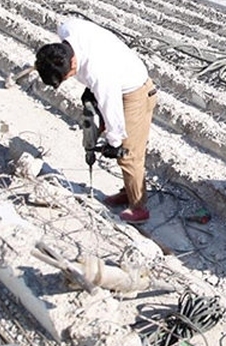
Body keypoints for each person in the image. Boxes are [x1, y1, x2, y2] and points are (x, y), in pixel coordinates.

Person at [35, 17, 158, 224]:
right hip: (118, 75)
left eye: (67, 76)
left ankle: (138, 207)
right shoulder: (67, 31)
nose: (68, 79)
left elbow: (113, 112)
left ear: (73, 62)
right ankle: (128, 190)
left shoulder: (99, 73)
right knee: (112, 135)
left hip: (135, 91)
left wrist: (114, 142)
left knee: (128, 154)